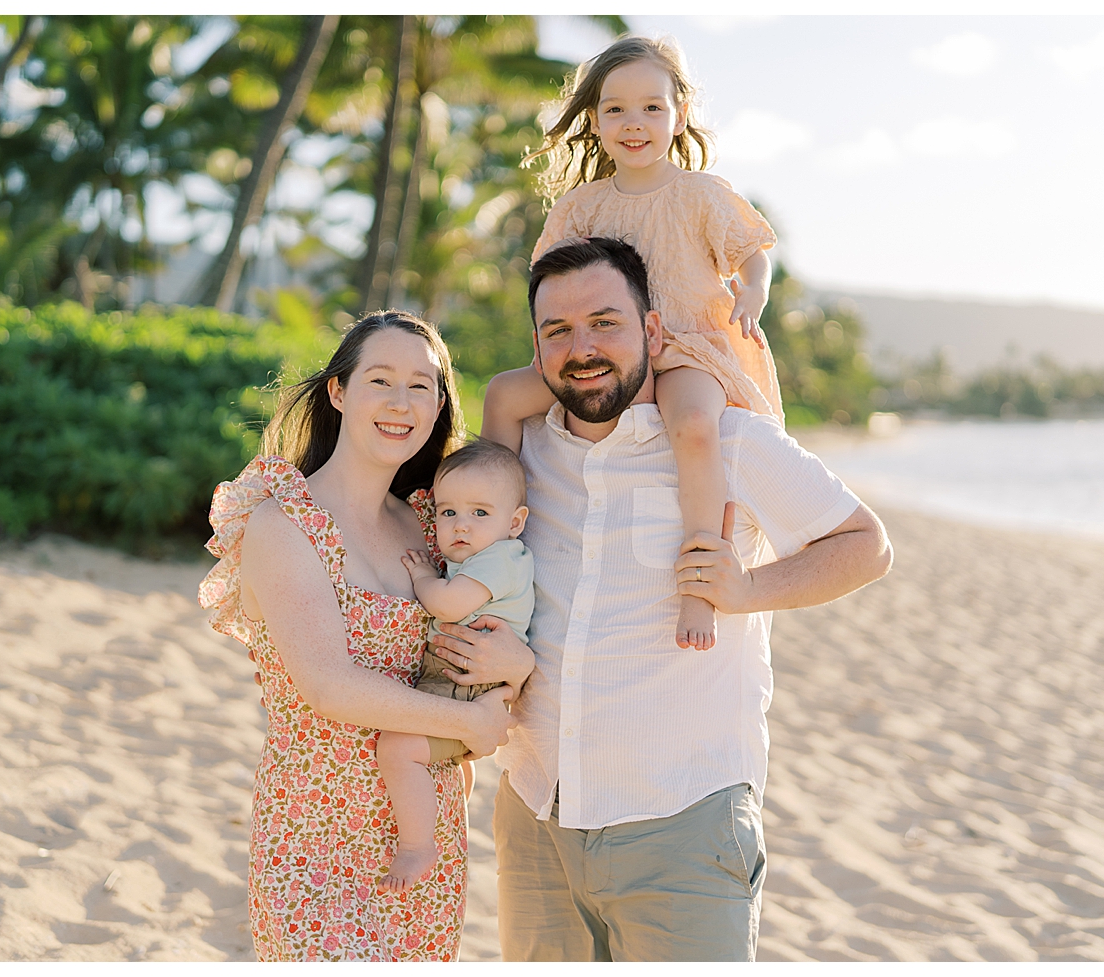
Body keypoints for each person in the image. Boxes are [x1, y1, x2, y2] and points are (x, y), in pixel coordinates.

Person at [431, 238, 893, 962]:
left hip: (683, 825)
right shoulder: (518, 459)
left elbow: (865, 544)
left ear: (651, 331)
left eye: (605, 323)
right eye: (558, 331)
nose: (582, 347)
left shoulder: (728, 440)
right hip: (535, 814)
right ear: (537, 348)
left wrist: (744, 591)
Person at [197, 312, 529, 961]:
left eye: (422, 386)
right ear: (339, 392)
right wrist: (468, 725)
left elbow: (495, 624)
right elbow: (328, 684)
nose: (401, 403)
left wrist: (513, 668)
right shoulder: (282, 523)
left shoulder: (435, 525)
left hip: (424, 839)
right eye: (381, 380)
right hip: (316, 840)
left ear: (440, 404)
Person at [484, 34, 781, 654]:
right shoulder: (581, 207)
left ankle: (701, 576)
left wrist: (753, 294)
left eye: (652, 107)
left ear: (678, 115)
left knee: (696, 424)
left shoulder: (702, 195)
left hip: (685, 352)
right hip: (600, 355)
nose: (634, 122)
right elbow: (546, 286)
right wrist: (546, 347)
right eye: (615, 108)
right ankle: (491, 548)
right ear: (593, 120)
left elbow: (753, 256)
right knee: (504, 396)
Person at [376, 438, 535, 892]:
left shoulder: (502, 559)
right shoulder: (484, 556)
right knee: (437, 757)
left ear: (515, 522)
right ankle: (448, 801)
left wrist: (423, 574)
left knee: (396, 748)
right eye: (448, 513)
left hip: (468, 684)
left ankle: (417, 844)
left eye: (480, 514)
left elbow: (447, 605)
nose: (461, 525)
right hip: (458, 678)